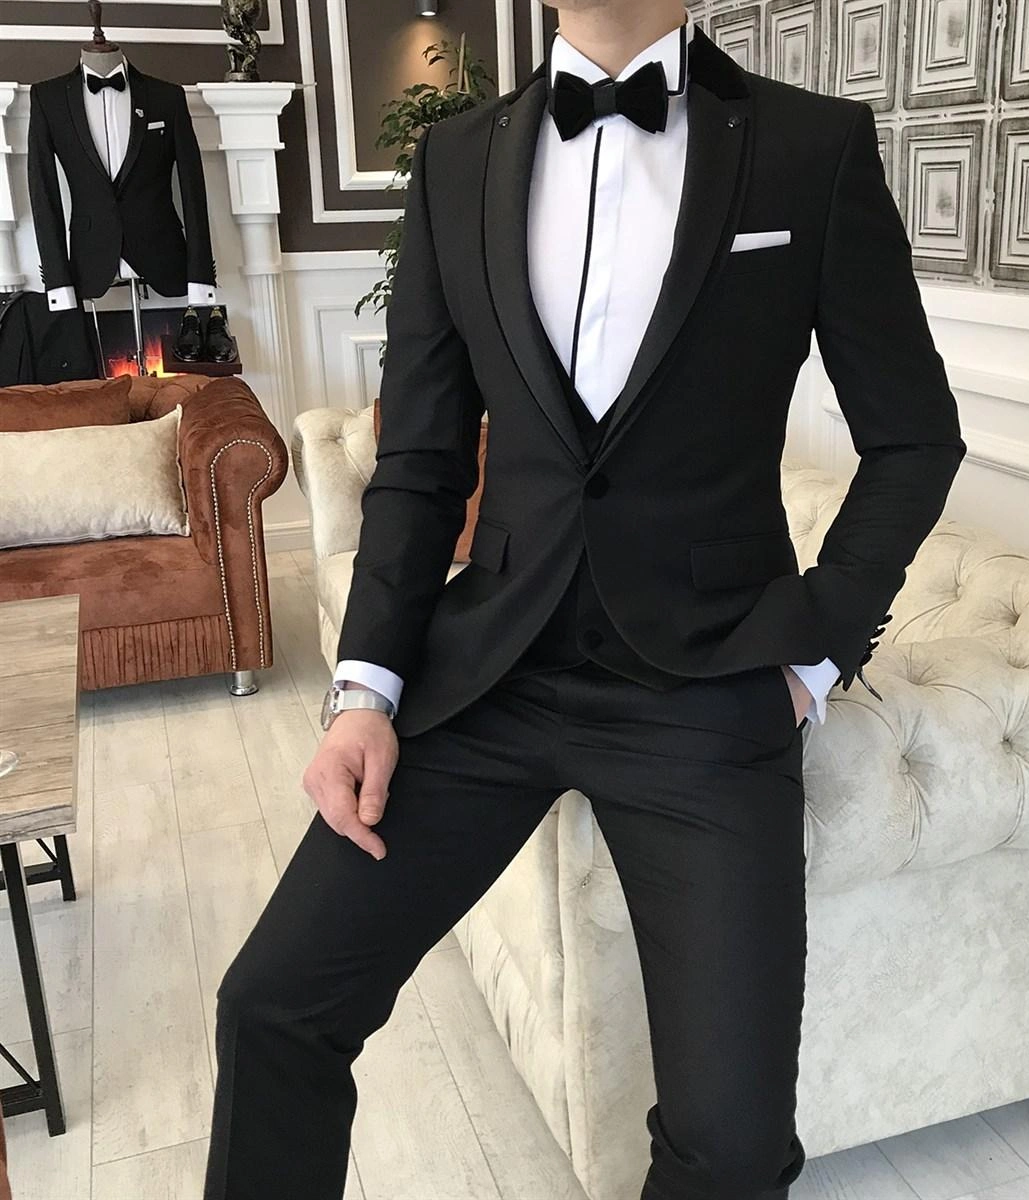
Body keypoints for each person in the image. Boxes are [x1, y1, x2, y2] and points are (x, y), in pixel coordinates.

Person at [203, 2, 967, 1197]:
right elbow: (421, 461)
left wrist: (813, 653)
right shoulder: (455, 161)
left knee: (731, 1150)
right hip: (490, 674)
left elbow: (914, 438)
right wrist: (363, 693)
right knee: (272, 1005)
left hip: (707, 687)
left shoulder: (810, 148)